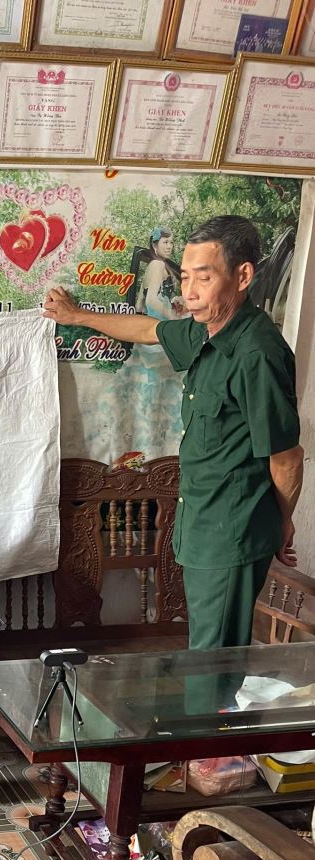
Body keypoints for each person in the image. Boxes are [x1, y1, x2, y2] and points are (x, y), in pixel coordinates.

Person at [43, 215, 303, 650]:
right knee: (206, 649)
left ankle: (211, 700)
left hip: (231, 533)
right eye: (184, 278)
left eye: (204, 277)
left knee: (213, 660)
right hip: (202, 526)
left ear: (243, 277)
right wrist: (77, 315)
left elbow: (287, 458)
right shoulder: (207, 331)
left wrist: (280, 522)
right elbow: (148, 330)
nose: (190, 292)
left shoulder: (256, 353)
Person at [111, 226, 190, 456]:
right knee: (165, 390)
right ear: (154, 245)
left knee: (150, 394)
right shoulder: (157, 265)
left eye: (171, 242)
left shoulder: (154, 266)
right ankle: (161, 450)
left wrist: (173, 302)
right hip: (159, 334)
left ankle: (147, 447)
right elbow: (153, 301)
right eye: (165, 242)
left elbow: (140, 303)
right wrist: (173, 319)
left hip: (150, 333)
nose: (169, 246)